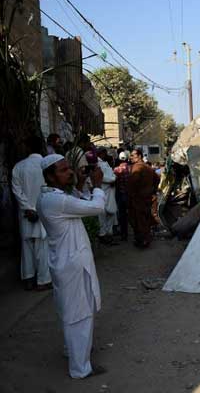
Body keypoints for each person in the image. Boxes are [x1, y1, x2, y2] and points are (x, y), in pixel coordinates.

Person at [36, 154, 106, 379]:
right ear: (49, 176)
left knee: (71, 311)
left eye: (69, 168)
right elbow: (95, 207)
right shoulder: (57, 201)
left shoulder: (51, 197)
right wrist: (96, 186)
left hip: (66, 262)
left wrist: (78, 187)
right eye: (63, 170)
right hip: (73, 265)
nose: (70, 172)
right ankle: (80, 368)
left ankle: (73, 351)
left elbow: (80, 203)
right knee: (80, 314)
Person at [12, 136, 52, 291]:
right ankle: (43, 280)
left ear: (27, 148)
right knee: (43, 248)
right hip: (43, 210)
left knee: (27, 247)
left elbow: (17, 190)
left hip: (26, 213)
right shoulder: (46, 165)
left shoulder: (18, 167)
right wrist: (37, 209)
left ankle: (29, 278)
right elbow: (49, 188)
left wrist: (27, 208)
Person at [128, 149, 158, 248]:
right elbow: (157, 179)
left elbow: (133, 183)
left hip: (138, 198)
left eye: (133, 155)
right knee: (145, 218)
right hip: (147, 197)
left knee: (139, 220)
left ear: (139, 156)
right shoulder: (148, 167)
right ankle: (145, 239)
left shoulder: (137, 167)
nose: (131, 157)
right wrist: (152, 190)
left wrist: (131, 194)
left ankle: (142, 240)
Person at [96, 148, 117, 245]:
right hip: (103, 190)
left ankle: (109, 233)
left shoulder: (104, 162)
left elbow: (111, 174)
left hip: (109, 191)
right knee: (103, 214)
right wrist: (112, 180)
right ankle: (103, 234)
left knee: (111, 212)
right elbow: (101, 177)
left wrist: (114, 179)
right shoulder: (97, 163)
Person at [113, 151, 130, 241]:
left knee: (122, 215)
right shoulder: (131, 168)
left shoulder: (116, 170)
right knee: (131, 214)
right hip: (130, 195)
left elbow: (114, 182)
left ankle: (124, 235)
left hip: (120, 195)